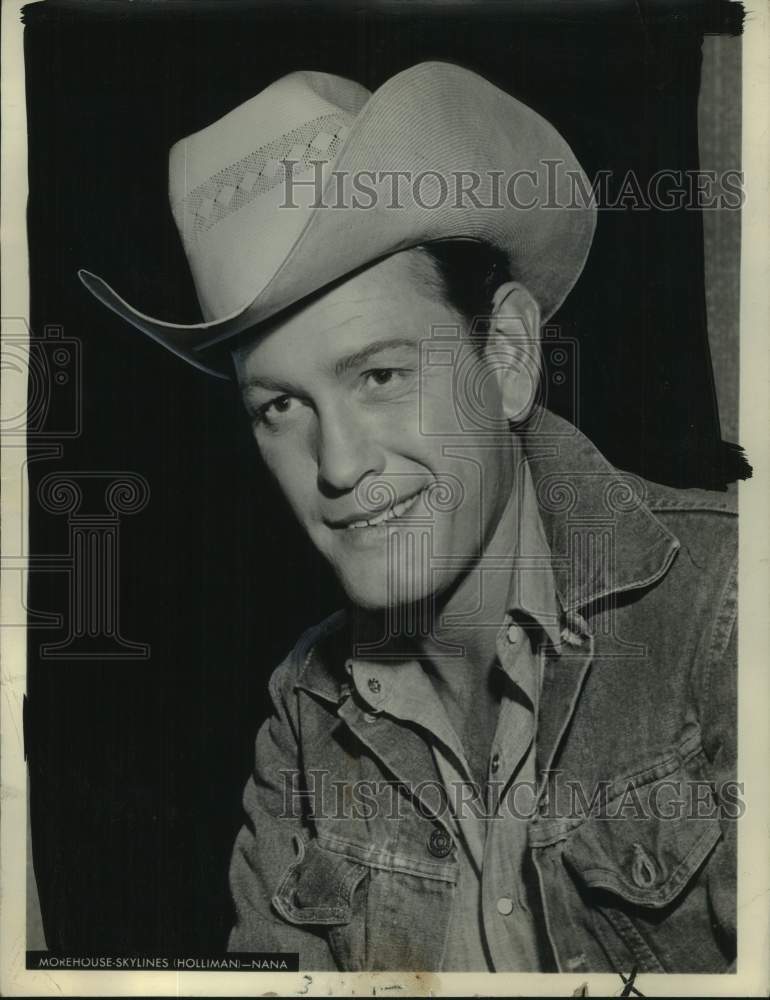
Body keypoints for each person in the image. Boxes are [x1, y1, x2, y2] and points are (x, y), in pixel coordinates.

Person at [79, 62, 737, 973]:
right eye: (280, 407)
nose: (340, 465)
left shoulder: (732, 618)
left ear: (507, 353)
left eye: (381, 376)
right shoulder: (303, 720)